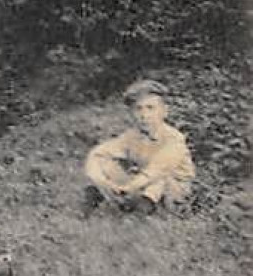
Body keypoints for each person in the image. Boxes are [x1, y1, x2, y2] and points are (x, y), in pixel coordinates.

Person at [82, 80, 195, 215]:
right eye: (138, 109)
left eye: (150, 108)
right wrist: (102, 181)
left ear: (164, 112)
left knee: (158, 181)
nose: (144, 115)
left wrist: (127, 188)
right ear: (131, 113)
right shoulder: (132, 136)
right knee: (105, 163)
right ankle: (98, 202)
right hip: (141, 183)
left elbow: (156, 170)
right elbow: (98, 153)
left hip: (173, 190)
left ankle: (140, 212)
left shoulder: (174, 139)